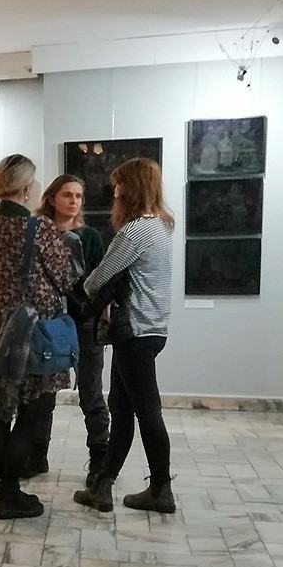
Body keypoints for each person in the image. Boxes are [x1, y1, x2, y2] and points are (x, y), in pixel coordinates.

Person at [73, 158, 176, 514]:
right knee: (122, 407)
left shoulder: (134, 232)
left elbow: (96, 281)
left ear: (131, 189)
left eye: (118, 185)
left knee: (145, 411)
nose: (114, 192)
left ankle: (161, 489)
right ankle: (103, 486)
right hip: (150, 329)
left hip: (135, 331)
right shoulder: (161, 226)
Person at [0, 154, 73, 520]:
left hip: (0, 330)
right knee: (32, 413)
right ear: (25, 188)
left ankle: (5, 488)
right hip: (35, 332)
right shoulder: (39, 228)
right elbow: (65, 278)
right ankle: (9, 493)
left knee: (3, 410)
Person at [37, 175, 109, 480]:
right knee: (44, 393)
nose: (74, 201)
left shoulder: (89, 237)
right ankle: (37, 455)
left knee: (91, 392)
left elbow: (101, 280)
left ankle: (99, 459)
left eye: (78, 196)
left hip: (84, 322)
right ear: (52, 198)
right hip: (49, 323)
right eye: (68, 194)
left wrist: (99, 312)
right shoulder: (40, 235)